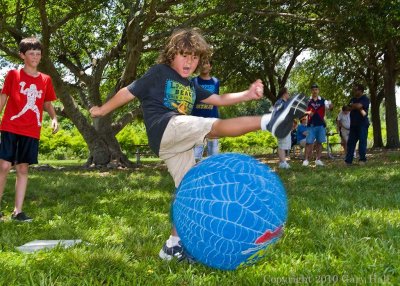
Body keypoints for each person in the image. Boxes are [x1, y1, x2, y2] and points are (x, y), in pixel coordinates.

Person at [89, 28, 308, 262]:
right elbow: (128, 92)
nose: (190, 62)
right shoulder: (158, 73)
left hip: (175, 144)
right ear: (171, 55)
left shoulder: (191, 86)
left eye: (194, 58)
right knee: (212, 126)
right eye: (184, 55)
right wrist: (102, 110)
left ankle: (173, 246)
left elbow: (220, 99)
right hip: (166, 127)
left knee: (191, 192)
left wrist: (247, 94)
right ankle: (269, 121)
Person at [0, 37, 59, 222]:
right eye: (31, 53)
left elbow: (47, 103)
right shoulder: (13, 75)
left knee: (23, 168)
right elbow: (3, 97)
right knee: (3, 165)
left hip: (31, 130)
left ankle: (18, 212)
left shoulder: (45, 79)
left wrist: (54, 118)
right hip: (10, 126)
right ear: (22, 55)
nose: (35, 57)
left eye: (38, 54)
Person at [191, 60, 220, 161]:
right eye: (202, 63)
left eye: (206, 63)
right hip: (196, 122)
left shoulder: (216, 82)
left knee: (213, 153)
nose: (204, 65)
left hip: (212, 121)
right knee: (196, 154)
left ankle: (212, 175)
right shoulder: (193, 81)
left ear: (210, 66)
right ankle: (194, 174)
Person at [302, 83, 333, 167]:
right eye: (313, 90)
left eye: (316, 89)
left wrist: (331, 105)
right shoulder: (308, 101)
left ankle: (318, 160)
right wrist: (308, 112)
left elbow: (330, 108)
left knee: (319, 143)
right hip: (311, 125)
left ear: (318, 90)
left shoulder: (323, 101)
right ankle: (306, 160)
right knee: (308, 143)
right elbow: (302, 111)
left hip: (320, 125)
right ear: (311, 91)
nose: (314, 91)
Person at [345, 84, 370, 165]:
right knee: (350, 143)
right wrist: (356, 106)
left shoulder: (365, 99)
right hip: (353, 124)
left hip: (362, 124)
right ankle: (348, 161)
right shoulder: (352, 99)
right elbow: (347, 108)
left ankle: (362, 160)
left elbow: (359, 106)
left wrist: (354, 105)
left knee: (362, 142)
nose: (354, 91)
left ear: (360, 90)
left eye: (356, 90)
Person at [274, 87, 292, 169]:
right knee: (281, 144)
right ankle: (282, 162)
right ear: (284, 94)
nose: (289, 94)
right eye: (288, 93)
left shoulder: (286, 103)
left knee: (284, 145)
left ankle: (283, 161)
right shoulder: (279, 102)